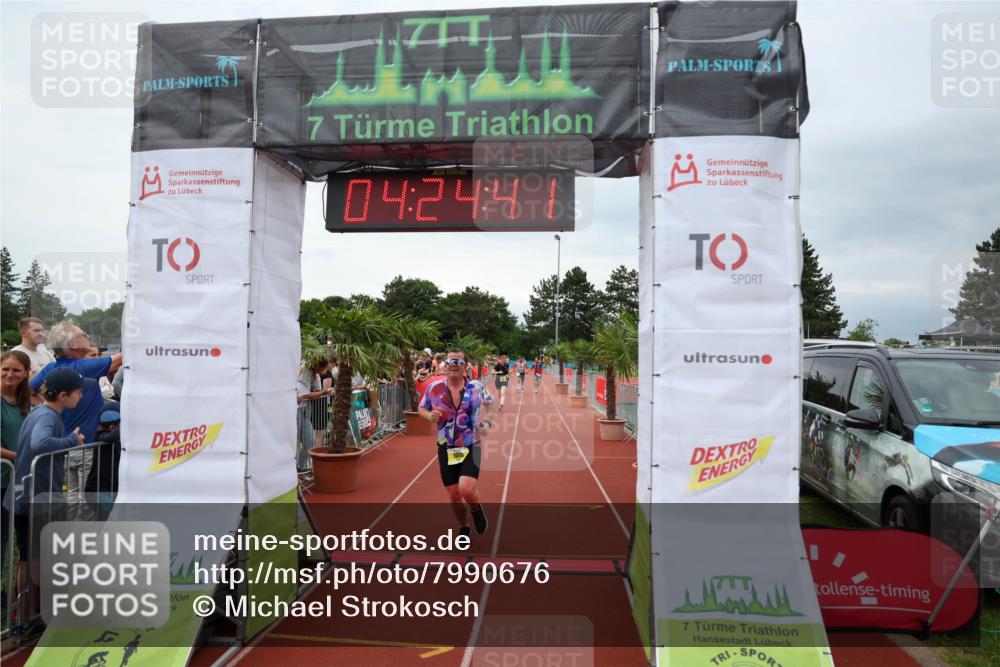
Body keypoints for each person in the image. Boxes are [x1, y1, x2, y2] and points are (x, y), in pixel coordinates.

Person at [3, 367, 91, 620]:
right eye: (78, 392)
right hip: (32, 497)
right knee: (35, 558)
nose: (81, 397)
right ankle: (28, 615)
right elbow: (39, 443)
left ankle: (27, 612)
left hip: (28, 494)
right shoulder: (47, 416)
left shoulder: (42, 411)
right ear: (63, 395)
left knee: (32, 556)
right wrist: (71, 441)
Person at [31, 321, 122, 522]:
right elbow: (123, 358)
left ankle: (71, 538)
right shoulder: (83, 366)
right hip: (86, 445)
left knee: (73, 497)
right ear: (73, 345)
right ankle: (85, 543)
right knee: (89, 497)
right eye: (84, 334)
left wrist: (51, 410)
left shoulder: (51, 368)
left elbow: (31, 389)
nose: (88, 338)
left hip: (63, 445)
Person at [418, 348, 489, 539]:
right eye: (450, 362)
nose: (454, 366)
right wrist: (429, 415)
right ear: (445, 365)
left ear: (465, 367)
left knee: (466, 488)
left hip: (471, 443)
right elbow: (421, 408)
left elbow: (490, 405)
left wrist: (486, 422)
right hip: (446, 446)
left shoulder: (476, 387)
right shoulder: (435, 389)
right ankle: (464, 526)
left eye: (458, 362)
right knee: (455, 495)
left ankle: (476, 510)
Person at [1, 350, 31, 613]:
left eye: (16, 370)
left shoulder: (27, 402)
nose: (10, 375)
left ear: (25, 374)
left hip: (21, 480)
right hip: (3, 478)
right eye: (5, 369)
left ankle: (13, 597)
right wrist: (23, 456)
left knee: (19, 541)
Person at [85, 402, 121, 520]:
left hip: (111, 489)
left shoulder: (116, 438)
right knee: (113, 519)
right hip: (97, 490)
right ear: (112, 427)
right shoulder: (100, 436)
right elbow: (110, 437)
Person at [296, 359, 334, 472]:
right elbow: (302, 395)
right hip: (297, 410)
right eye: (321, 368)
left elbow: (315, 393)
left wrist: (324, 392)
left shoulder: (315, 375)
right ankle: (297, 468)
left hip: (305, 409)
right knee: (295, 441)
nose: (322, 371)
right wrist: (323, 392)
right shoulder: (305, 372)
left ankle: (300, 467)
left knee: (310, 441)